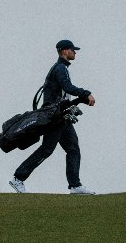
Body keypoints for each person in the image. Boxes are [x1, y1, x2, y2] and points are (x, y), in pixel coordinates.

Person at [9, 40, 99, 195]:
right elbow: (68, 88)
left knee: (73, 149)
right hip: (54, 118)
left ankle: (75, 185)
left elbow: (64, 95)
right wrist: (86, 93)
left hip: (62, 116)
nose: (75, 53)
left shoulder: (62, 68)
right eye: (72, 50)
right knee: (47, 149)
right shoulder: (60, 69)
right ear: (64, 51)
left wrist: (82, 99)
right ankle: (19, 178)